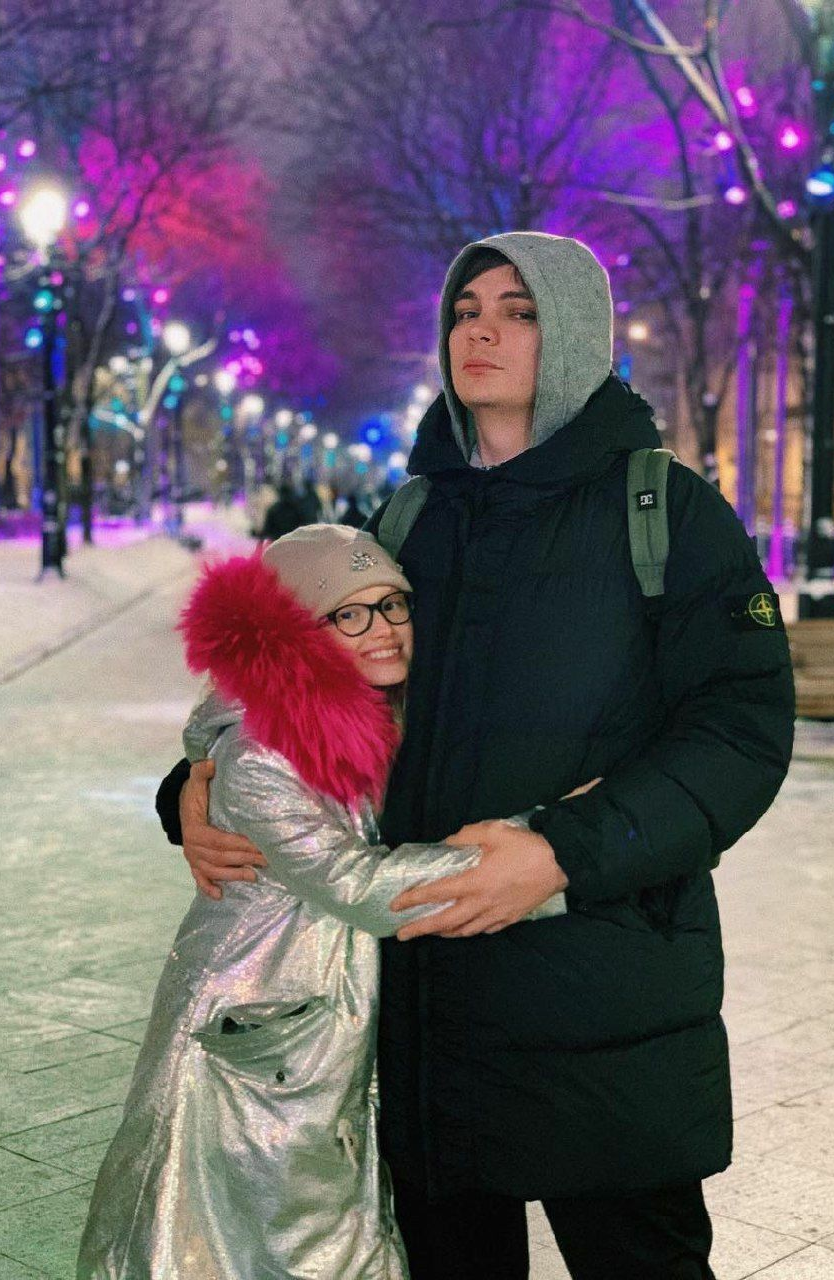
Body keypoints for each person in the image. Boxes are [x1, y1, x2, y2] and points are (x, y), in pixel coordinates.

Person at [159, 233, 795, 1279]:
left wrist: (563, 852)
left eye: (518, 310)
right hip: (428, 1006)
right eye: (466, 311)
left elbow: (739, 729)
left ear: (575, 334)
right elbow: (297, 681)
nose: (482, 331)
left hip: (603, 989)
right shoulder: (412, 515)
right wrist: (198, 784)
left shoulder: (663, 510)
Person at [78, 525, 565, 1279]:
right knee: (243, 1248)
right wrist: (544, 854)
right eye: (348, 614)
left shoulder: (382, 717)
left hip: (320, 1026)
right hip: (255, 1035)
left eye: (393, 604)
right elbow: (360, 886)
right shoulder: (263, 751)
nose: (383, 629)